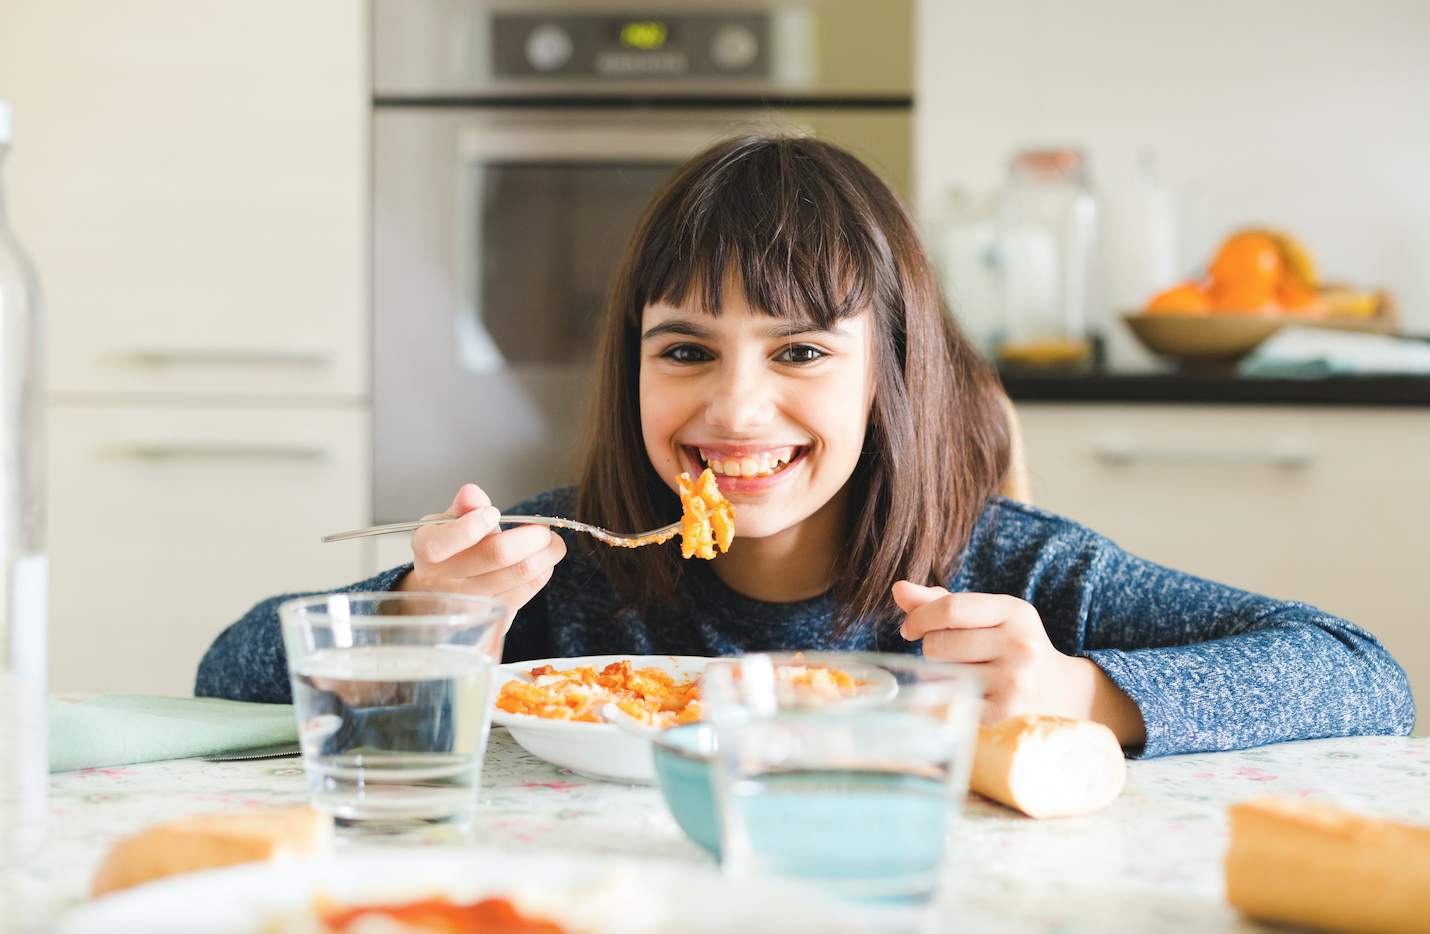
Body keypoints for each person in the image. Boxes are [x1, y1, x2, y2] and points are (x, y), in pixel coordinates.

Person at [196, 135, 1414, 757]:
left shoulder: (1010, 574)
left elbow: (1363, 675)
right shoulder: (559, 578)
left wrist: (1074, 692)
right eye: (683, 351)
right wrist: (425, 616)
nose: (733, 411)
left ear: (890, 375)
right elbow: (230, 671)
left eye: (799, 353)